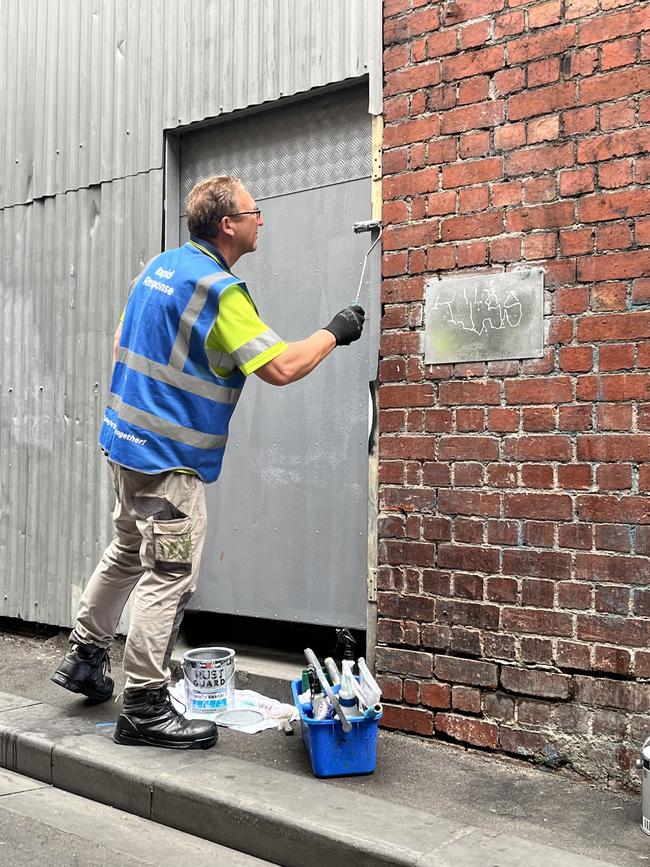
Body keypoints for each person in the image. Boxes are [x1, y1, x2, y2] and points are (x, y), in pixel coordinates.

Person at [51, 175, 365, 749]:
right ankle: (144, 705)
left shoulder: (161, 268)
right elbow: (282, 368)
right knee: (169, 573)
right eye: (253, 212)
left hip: (126, 445)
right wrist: (334, 333)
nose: (260, 220)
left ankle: (84, 657)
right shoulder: (221, 292)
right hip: (170, 463)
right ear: (228, 225)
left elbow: (124, 337)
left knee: (126, 550)